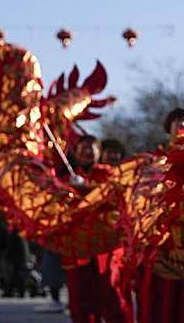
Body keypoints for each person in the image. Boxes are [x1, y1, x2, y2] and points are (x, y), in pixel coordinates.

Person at [135, 107, 184, 323]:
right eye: (178, 121)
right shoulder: (153, 163)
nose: (183, 125)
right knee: (158, 299)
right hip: (159, 240)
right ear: (169, 128)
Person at [61, 134, 116, 323]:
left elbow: (112, 196)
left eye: (91, 147)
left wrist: (87, 189)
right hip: (77, 248)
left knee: (111, 297)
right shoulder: (67, 177)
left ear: (99, 152)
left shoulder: (107, 174)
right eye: (82, 148)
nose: (86, 151)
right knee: (80, 301)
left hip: (105, 249)